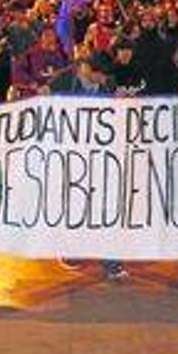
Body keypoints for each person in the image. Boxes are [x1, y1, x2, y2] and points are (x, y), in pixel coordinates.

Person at [45, 52, 129, 281]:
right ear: (87, 69)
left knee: (104, 207)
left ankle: (111, 261)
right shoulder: (62, 81)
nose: (104, 80)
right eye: (100, 75)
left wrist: (119, 104)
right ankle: (71, 247)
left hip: (99, 155)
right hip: (69, 156)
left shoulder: (107, 84)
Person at [11, 26, 70, 99]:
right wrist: (31, 83)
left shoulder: (62, 54)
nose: (50, 39)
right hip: (34, 96)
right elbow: (17, 72)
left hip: (57, 96)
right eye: (47, 35)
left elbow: (67, 73)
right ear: (40, 39)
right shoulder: (30, 55)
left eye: (52, 35)